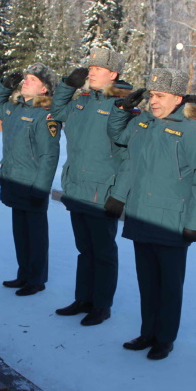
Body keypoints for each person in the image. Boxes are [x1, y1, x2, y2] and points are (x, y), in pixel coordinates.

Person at [107, 68, 196, 360]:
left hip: (173, 221)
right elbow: (120, 138)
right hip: (141, 214)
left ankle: (165, 338)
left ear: (178, 97)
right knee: (147, 281)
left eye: (160, 96)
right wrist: (124, 108)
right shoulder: (145, 120)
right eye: (151, 95)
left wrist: (195, 224)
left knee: (168, 285)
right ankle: (148, 332)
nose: (153, 101)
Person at [49, 48, 133, 325]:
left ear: (113, 74)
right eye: (90, 67)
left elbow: (130, 156)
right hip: (77, 186)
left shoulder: (123, 105)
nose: (91, 72)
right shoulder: (83, 99)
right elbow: (57, 110)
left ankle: (102, 305)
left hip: (102, 191)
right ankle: (83, 298)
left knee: (103, 251)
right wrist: (68, 85)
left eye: (98, 68)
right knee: (85, 249)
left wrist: (119, 196)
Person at [0, 63, 62, 296]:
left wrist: (41, 190)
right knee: (20, 234)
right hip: (13, 181)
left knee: (36, 237)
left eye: (32, 79)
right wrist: (4, 86)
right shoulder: (15, 109)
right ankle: (24, 274)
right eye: (26, 78)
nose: (25, 81)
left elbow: (49, 156)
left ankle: (37, 279)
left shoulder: (46, 115)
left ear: (44, 90)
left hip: (32, 186)